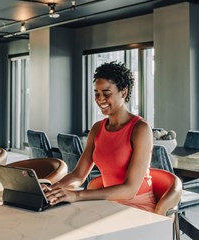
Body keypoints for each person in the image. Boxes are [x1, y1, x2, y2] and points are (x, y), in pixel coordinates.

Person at [44, 61, 156, 212]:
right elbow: (78, 175)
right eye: (97, 93)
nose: (100, 99)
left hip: (137, 206)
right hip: (108, 204)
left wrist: (76, 196)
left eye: (106, 94)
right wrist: (51, 189)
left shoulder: (140, 129)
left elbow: (129, 190)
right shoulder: (97, 128)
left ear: (124, 92)